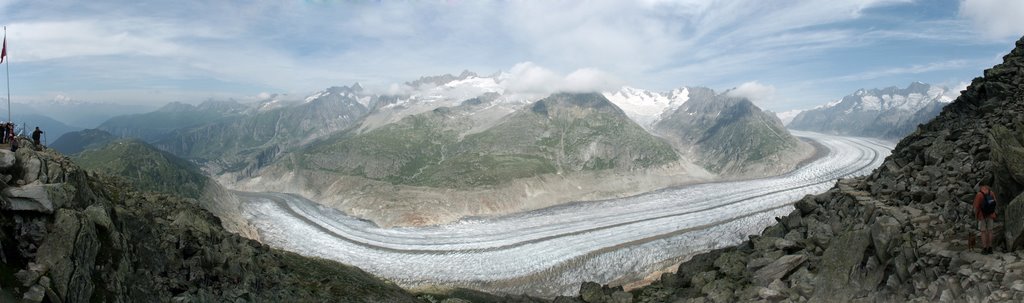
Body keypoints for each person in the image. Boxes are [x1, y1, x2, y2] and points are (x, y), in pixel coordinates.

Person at [973, 184, 998, 254]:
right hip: (991, 214)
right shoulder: (991, 193)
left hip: (982, 216)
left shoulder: (979, 194)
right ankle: (990, 248)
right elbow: (995, 202)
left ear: (981, 186)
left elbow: (976, 207)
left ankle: (984, 249)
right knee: (990, 231)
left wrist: (976, 216)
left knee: (983, 231)